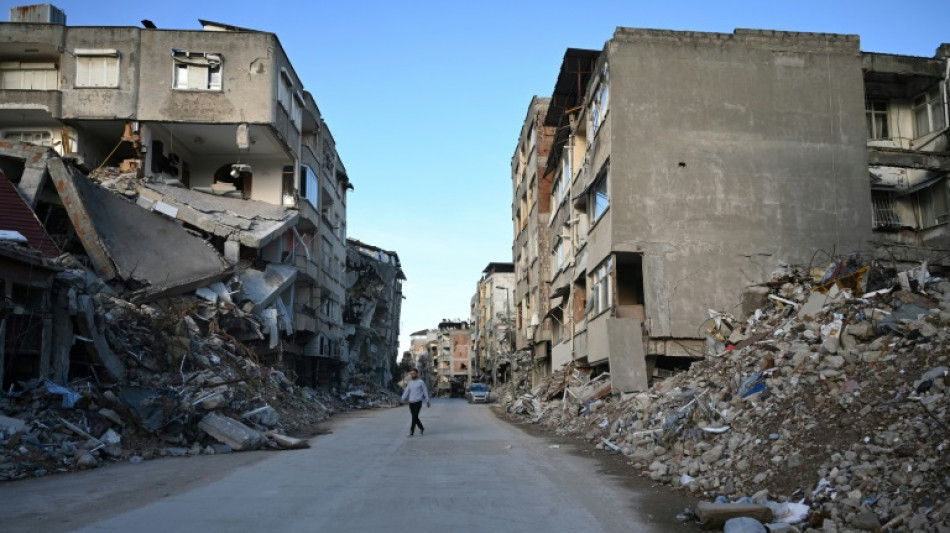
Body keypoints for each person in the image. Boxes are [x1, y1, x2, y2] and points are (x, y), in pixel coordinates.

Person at [401, 368, 430, 436]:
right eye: (411, 374)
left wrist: (427, 401)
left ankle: (411, 431)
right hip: (411, 403)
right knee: (415, 417)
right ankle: (421, 428)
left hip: (418, 402)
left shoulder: (421, 382)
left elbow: (425, 391)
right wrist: (402, 399)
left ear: (417, 374)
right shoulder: (410, 383)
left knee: (414, 417)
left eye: (414, 373)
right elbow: (406, 391)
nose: (412, 375)